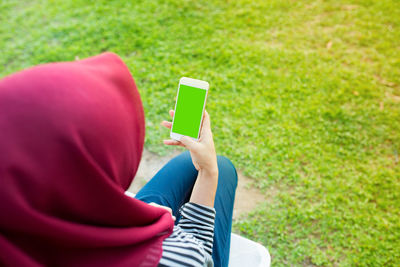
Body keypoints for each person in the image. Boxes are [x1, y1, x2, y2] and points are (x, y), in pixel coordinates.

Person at [0, 52, 238, 267]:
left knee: (186, 166)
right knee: (221, 169)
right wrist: (209, 171)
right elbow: (197, 252)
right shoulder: (176, 258)